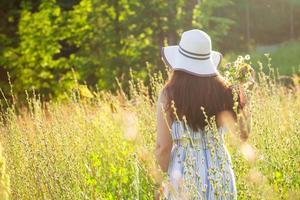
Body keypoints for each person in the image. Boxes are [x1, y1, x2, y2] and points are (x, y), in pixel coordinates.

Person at [155, 29, 251, 199]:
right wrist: (243, 95)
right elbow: (243, 135)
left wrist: (160, 184)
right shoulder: (226, 91)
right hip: (220, 177)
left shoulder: (169, 94)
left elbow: (163, 148)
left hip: (183, 179)